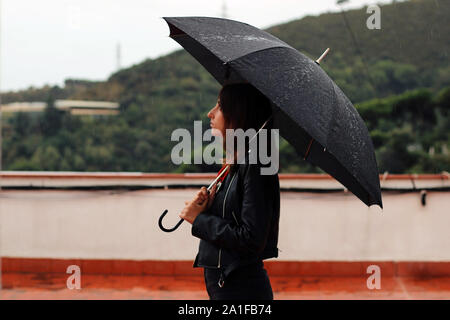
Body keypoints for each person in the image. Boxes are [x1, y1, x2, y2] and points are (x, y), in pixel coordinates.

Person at [179, 83, 280, 300]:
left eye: (220, 107)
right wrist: (209, 206)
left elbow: (251, 238)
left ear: (238, 115)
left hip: (241, 290)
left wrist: (199, 219)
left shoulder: (256, 165)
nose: (211, 113)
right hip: (227, 286)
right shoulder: (238, 164)